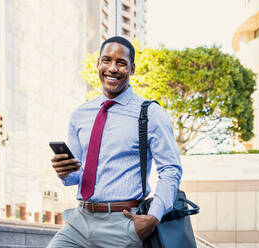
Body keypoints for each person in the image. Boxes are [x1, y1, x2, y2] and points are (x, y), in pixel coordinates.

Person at [48, 36, 182, 248]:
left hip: (123, 223)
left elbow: (171, 170)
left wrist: (154, 216)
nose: (112, 68)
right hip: (79, 221)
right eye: (107, 60)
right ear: (98, 64)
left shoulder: (150, 114)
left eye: (121, 63)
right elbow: (77, 176)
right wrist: (64, 171)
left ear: (132, 69)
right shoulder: (80, 114)